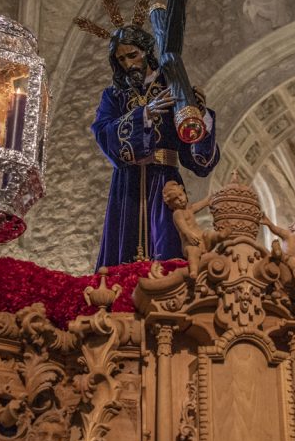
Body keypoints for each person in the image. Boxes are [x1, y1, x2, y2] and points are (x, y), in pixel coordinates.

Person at [91, 25, 219, 268]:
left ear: (147, 52)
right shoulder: (115, 95)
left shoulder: (174, 87)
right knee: (123, 257)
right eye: (121, 59)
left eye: (133, 55)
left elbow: (199, 161)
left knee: (168, 249)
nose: (128, 64)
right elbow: (102, 132)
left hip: (165, 182)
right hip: (127, 185)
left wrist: (199, 116)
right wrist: (144, 115)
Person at [162, 181, 230, 278]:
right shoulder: (177, 213)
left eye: (180, 195)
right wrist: (188, 234)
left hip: (202, 239)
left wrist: (207, 201)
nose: (180, 199)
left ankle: (220, 235)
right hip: (190, 243)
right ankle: (194, 270)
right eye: (175, 199)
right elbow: (183, 227)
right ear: (171, 204)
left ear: (184, 194)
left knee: (208, 234)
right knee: (193, 252)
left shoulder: (189, 209)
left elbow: (198, 206)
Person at [260, 215, 295, 284]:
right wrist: (268, 223)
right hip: (283, 254)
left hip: (291, 258)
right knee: (276, 245)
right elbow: (276, 230)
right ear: (292, 227)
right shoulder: (288, 234)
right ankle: (276, 251)